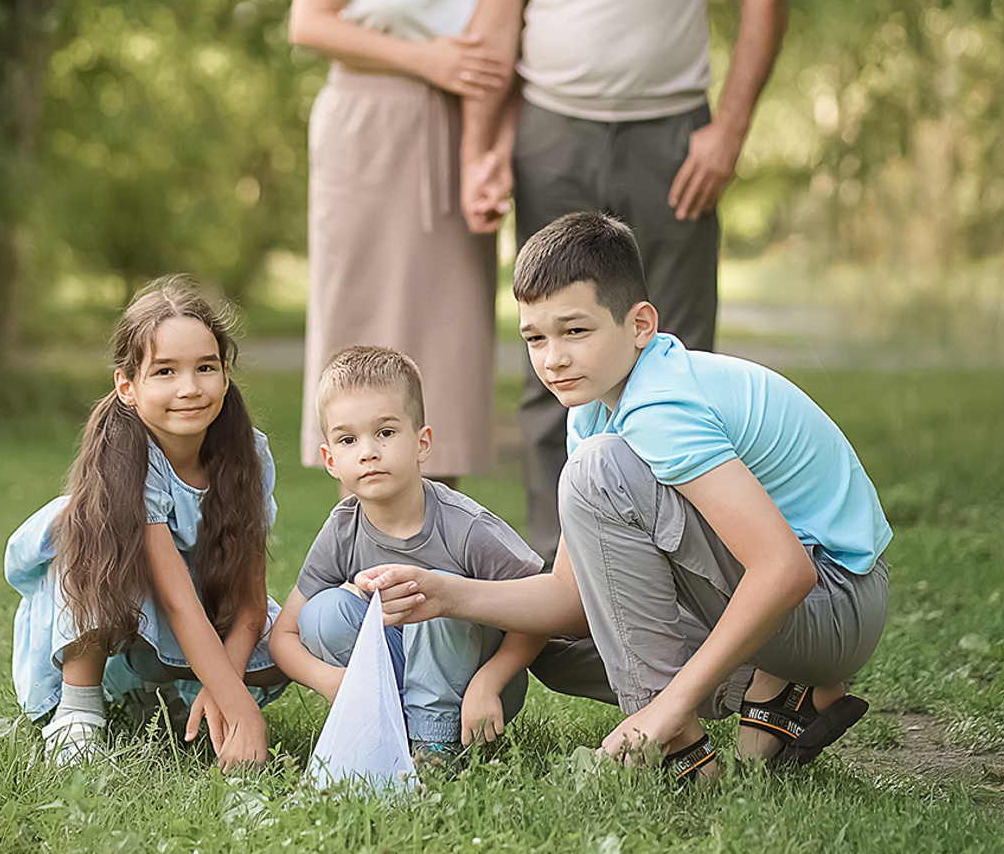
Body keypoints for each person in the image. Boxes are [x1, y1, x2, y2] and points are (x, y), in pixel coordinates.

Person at [361, 213, 891, 784]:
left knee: (596, 471)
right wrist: (444, 593)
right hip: (800, 608)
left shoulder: (661, 404)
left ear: (640, 324)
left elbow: (785, 571)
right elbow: (570, 601)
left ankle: (671, 743)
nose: (552, 359)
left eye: (575, 331)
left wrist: (667, 706)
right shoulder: (592, 406)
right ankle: (778, 694)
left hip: (837, 601)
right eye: (535, 338)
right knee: (558, 645)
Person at [460, 0, 790, 561]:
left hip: (675, 133)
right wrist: (483, 147)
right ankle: (562, 573)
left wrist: (728, 130)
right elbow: (497, 22)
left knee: (681, 358)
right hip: (554, 136)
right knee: (554, 352)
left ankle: (695, 562)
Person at [289, 0, 546, 485]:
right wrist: (426, 59)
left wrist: (491, 150)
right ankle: (362, 527)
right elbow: (309, 22)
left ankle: (434, 536)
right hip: (368, 128)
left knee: (448, 341)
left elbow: (509, 53)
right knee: (361, 330)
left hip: (464, 134)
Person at [269, 345, 612, 759]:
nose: (368, 451)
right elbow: (285, 635)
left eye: (386, 432)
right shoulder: (343, 527)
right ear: (330, 460)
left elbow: (539, 611)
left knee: (434, 596)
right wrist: (331, 681)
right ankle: (390, 726)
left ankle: (435, 746)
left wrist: (490, 681)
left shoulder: (464, 526)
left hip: (478, 683)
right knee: (322, 613)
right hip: (401, 672)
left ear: (422, 442)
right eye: (347, 439)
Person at [4, 277, 286, 769]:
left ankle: (157, 697)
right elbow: (176, 602)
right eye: (165, 372)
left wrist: (229, 691)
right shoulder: (127, 458)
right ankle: (79, 709)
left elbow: (248, 602)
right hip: (114, 620)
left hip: (198, 618)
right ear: (127, 385)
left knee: (289, 643)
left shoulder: (249, 454)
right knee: (87, 528)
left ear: (225, 373)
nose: (189, 388)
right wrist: (243, 715)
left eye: (206, 367)